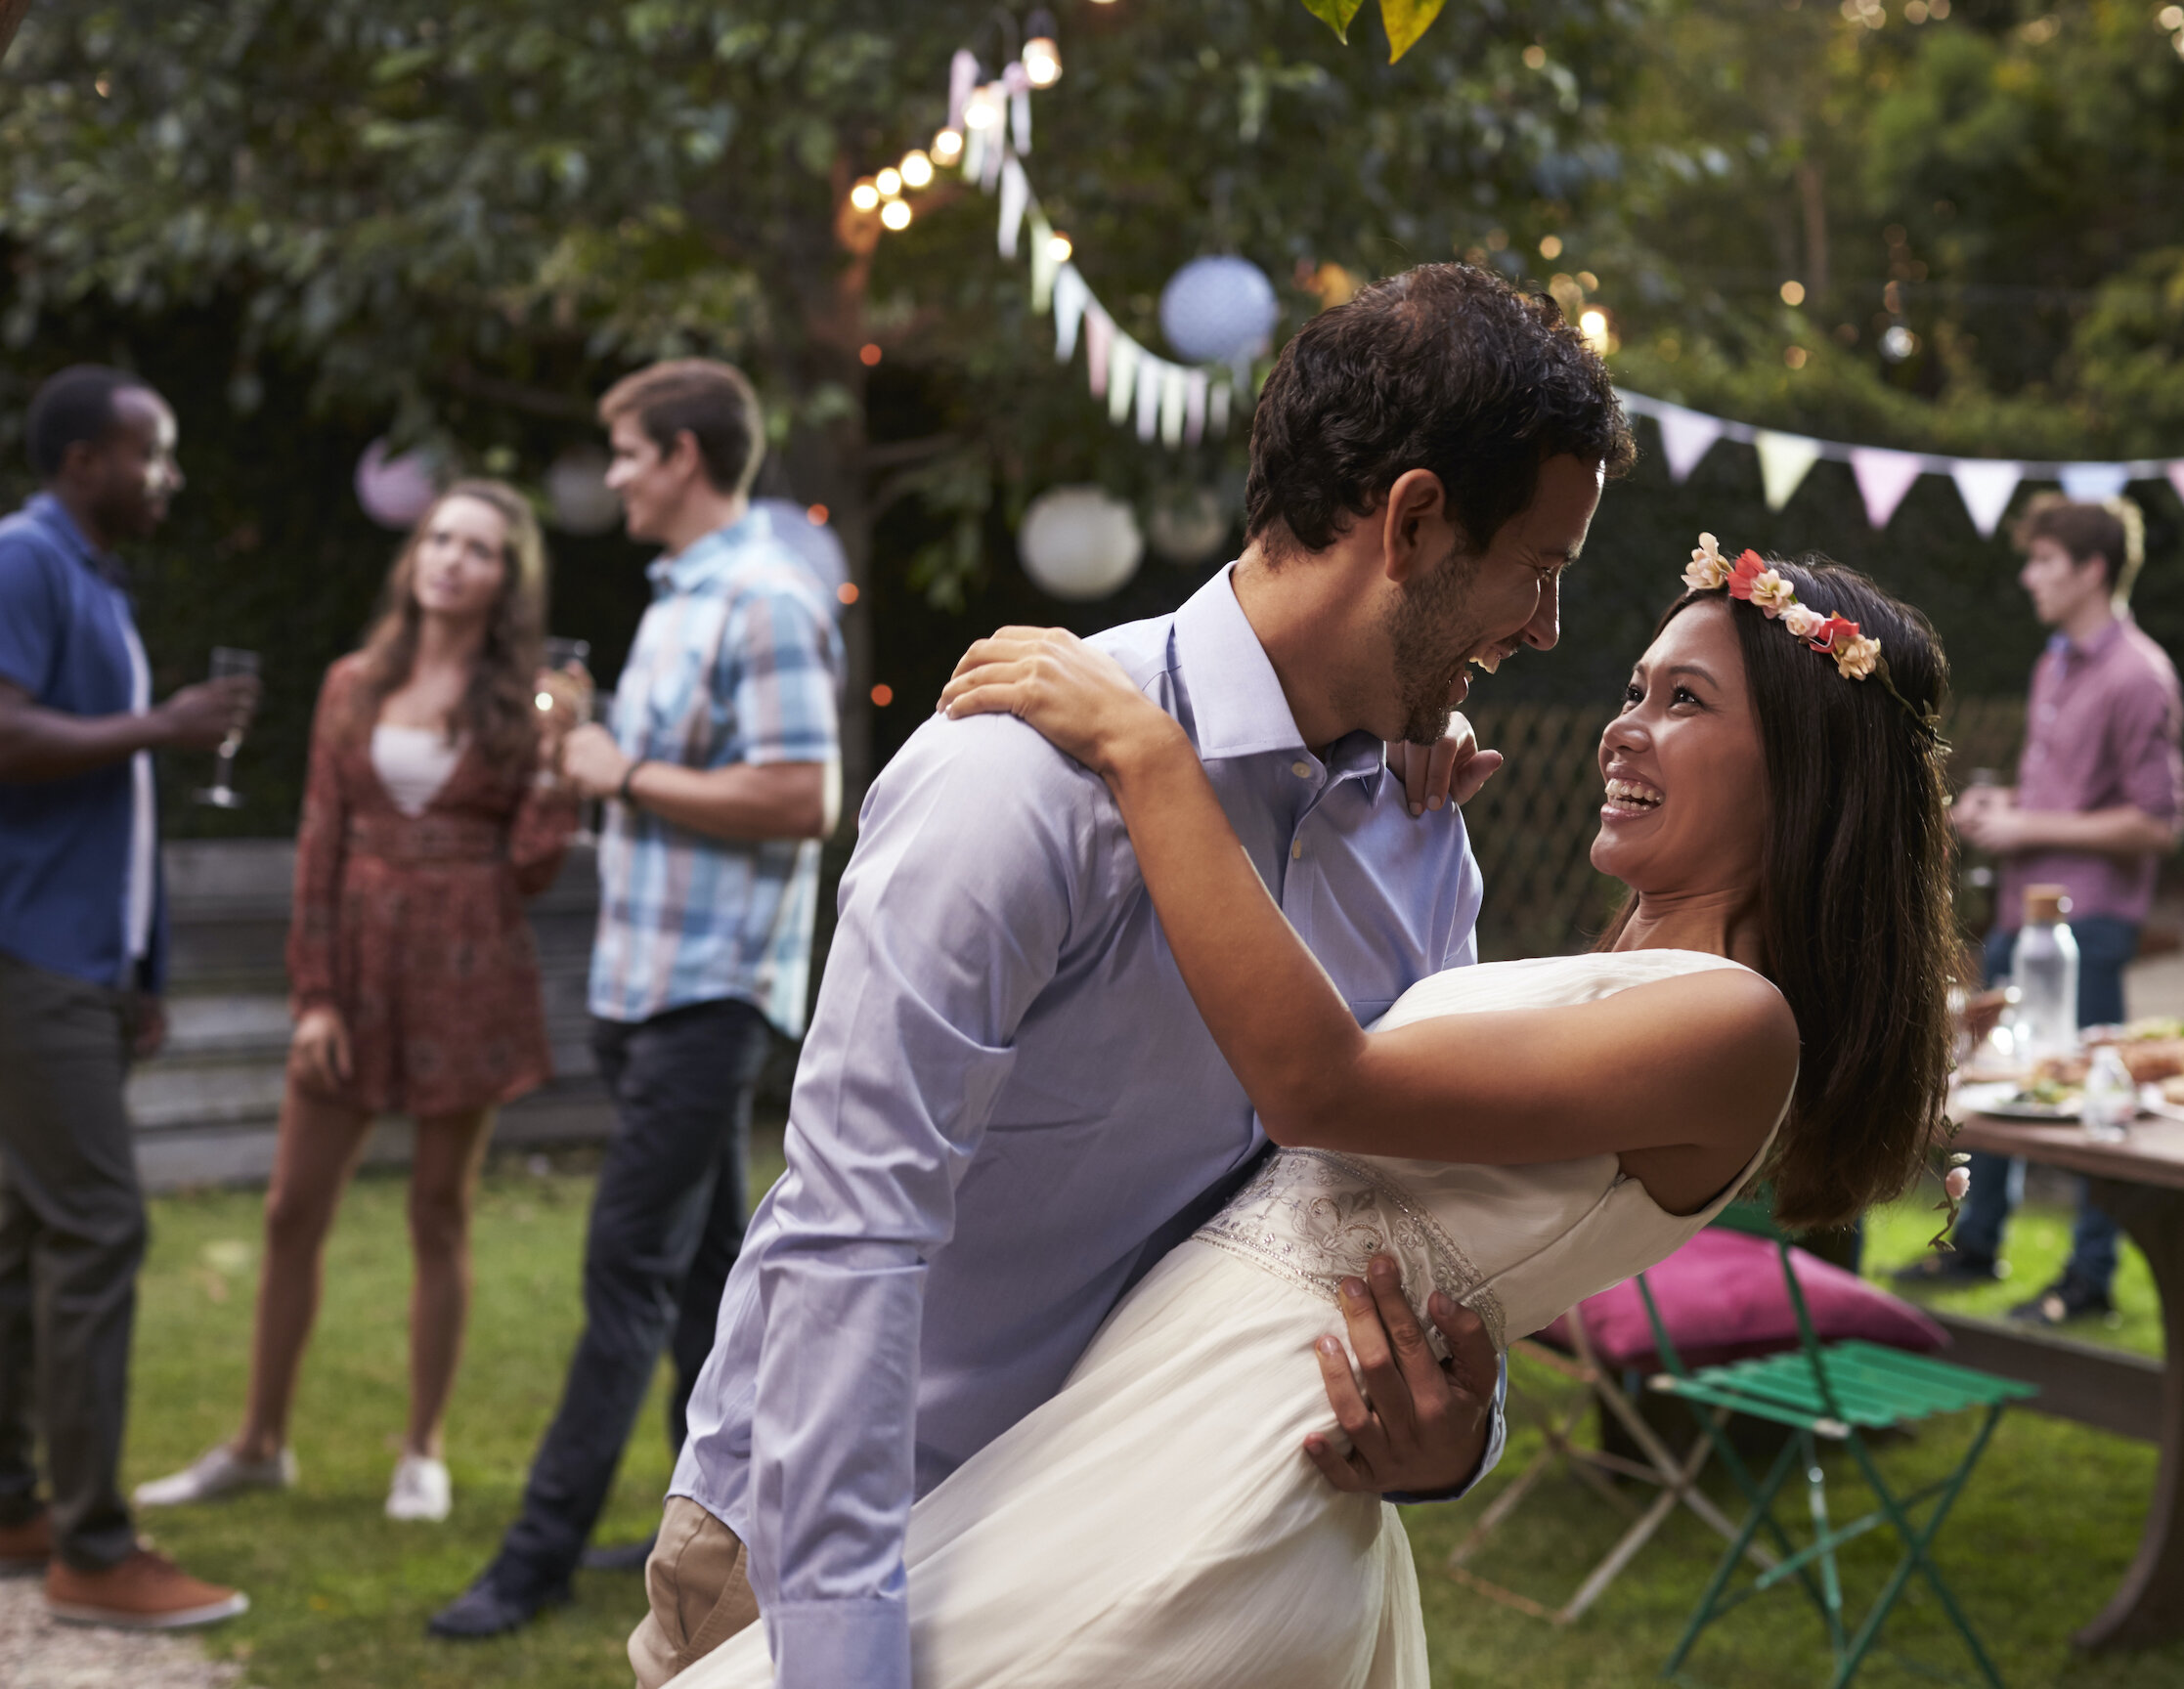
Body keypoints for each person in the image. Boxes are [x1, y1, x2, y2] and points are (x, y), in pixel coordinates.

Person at [670, 541, 1958, 1689]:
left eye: (1682, 702)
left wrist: (1144, 754)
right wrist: (1383, 833)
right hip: (1094, 1435)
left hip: (1213, 1471)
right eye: (1635, 691)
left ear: (1807, 761)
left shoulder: (1735, 1026)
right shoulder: (1505, 893)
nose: (1622, 725)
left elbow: (1322, 1089)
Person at [633, 264, 1628, 1689]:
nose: (1542, 625)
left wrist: (1451, 1438)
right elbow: (850, 1237)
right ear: (1410, 522)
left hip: (1156, 1564)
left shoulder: (1424, 851)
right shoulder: (1013, 778)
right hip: (854, 1538)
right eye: (1537, 567)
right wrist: (844, 1660)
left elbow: (1392, 1222)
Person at [429, 360, 844, 1637]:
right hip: (646, 983)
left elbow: (800, 798)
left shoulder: (767, 602)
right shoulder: (673, 603)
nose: (610, 476)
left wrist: (626, 770)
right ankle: (709, 1534)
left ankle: (534, 1556)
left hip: (710, 993)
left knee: (624, 1272)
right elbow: (650, 775)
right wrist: (591, 755)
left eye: (622, 452)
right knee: (712, 1278)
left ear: (680, 457)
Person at [133, 479, 579, 1524]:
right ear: (413, 556)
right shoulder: (350, 684)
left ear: (505, 579)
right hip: (358, 967)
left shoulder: (524, 706)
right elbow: (321, 841)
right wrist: (315, 997)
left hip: (469, 967)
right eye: (438, 540)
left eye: (476, 548)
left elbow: (528, 871)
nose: (450, 560)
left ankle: (420, 1449)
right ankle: (257, 1442)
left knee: (439, 1210)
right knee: (292, 1208)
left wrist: (559, 773)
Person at [0, 366, 256, 1626]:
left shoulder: (92, 579)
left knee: (25, 1239)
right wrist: (163, 724)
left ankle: (11, 1503)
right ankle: (95, 1553)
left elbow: (108, 808)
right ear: (84, 461)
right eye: (150, 455)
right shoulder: (24, 559)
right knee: (98, 1230)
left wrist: (140, 971)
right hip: (26, 958)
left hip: (78, 965)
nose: (168, 477)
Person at [1913, 495, 2182, 1323]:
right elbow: (2067, 795)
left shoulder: (2140, 675)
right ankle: (1978, 1247)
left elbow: (2159, 821)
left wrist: (2027, 822)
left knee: (2091, 1105)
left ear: (2092, 569)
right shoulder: (2056, 661)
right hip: (2022, 918)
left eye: (2044, 562)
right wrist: (2005, 813)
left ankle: (2088, 1282)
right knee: (1998, 1084)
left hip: (2089, 925)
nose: (2029, 576)